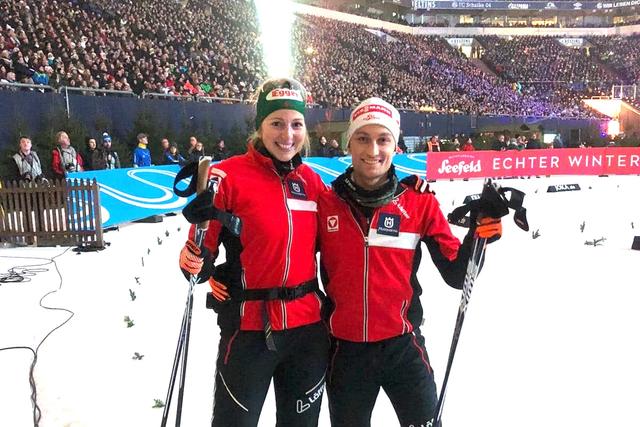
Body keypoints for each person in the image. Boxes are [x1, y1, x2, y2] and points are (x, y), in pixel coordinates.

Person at [314, 97, 503, 427]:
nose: (373, 150)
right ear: (349, 143)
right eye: (363, 138)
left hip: (403, 347)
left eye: (383, 139)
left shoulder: (419, 203)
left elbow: (458, 274)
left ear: (395, 145)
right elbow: (285, 254)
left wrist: (478, 234)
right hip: (346, 353)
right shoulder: (326, 203)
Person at [178, 77, 329, 427]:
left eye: (296, 124)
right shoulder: (227, 177)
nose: (287, 134)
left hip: (307, 333)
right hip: (249, 332)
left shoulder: (313, 183)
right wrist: (199, 254)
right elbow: (195, 266)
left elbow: (348, 234)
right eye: (276, 123)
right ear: (259, 125)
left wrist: (407, 189)